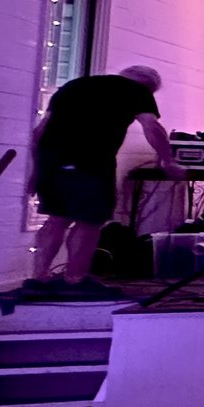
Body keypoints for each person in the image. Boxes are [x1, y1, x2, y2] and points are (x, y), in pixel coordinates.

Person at [29, 65, 178, 288]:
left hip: (51, 162)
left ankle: (38, 278)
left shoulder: (73, 86)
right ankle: (75, 280)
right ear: (148, 87)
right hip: (90, 163)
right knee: (89, 222)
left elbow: (39, 131)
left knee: (56, 219)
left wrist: (36, 171)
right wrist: (168, 161)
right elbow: (152, 127)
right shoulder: (137, 90)